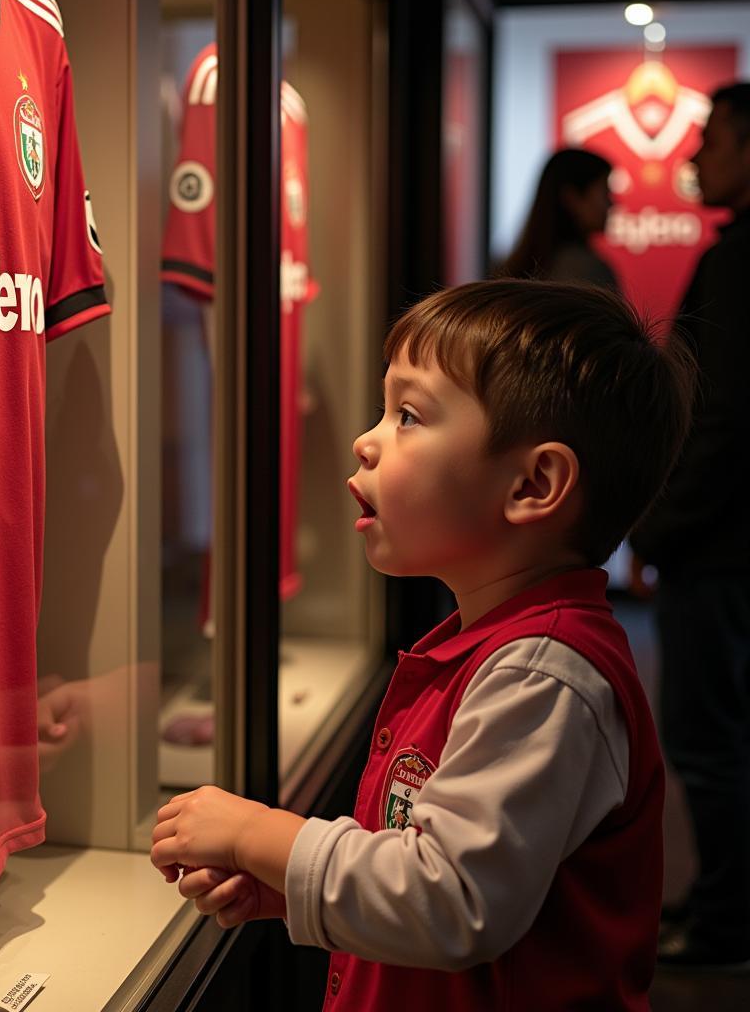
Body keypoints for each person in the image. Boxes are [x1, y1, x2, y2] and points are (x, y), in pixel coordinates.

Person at [151, 279, 695, 1009]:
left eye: (408, 415)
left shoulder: (544, 675)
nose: (365, 440)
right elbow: (429, 863)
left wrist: (261, 835)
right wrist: (285, 888)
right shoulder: (491, 648)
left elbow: (453, 899)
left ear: (535, 483)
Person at [629, 82, 750, 970]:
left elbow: (721, 420)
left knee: (710, 742)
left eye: (711, 139)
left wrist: (659, 528)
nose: (692, 157)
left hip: (720, 548)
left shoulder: (741, 262)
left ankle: (722, 927)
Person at [499, 148, 618, 288]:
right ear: (572, 197)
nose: (612, 203)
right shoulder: (588, 271)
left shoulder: (511, 269)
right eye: (605, 193)